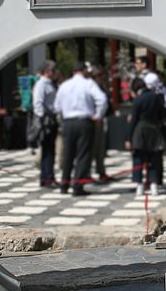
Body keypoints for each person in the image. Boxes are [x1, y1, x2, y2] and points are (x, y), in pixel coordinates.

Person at [53, 62, 108, 196]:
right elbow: (102, 99)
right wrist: (98, 115)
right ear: (83, 71)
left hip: (68, 121)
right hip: (84, 121)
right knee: (83, 154)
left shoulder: (64, 85)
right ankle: (78, 185)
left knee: (68, 154)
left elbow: (56, 106)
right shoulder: (88, 83)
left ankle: (64, 184)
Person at [126, 77, 166, 197]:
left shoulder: (138, 99)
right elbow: (163, 114)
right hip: (154, 130)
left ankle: (140, 186)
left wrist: (128, 138)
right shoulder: (156, 97)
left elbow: (133, 120)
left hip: (140, 130)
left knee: (138, 157)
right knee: (154, 158)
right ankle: (154, 185)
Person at [29, 60, 59, 187]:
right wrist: (42, 119)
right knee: (47, 149)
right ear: (47, 71)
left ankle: (49, 176)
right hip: (46, 120)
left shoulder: (50, 84)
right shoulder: (41, 84)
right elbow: (38, 103)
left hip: (51, 118)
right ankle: (46, 177)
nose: (54, 73)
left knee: (50, 150)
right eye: (53, 70)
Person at [89, 64, 114, 184]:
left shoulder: (102, 86)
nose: (101, 77)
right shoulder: (90, 87)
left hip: (100, 119)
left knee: (100, 148)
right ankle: (87, 173)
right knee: (90, 148)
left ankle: (101, 171)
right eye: (98, 76)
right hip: (92, 120)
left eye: (102, 75)